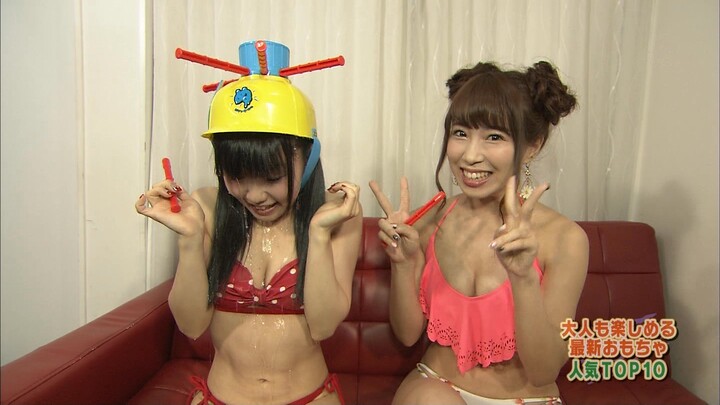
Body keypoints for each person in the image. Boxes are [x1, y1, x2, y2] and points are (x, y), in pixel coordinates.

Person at [135, 47, 362, 405]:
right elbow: (191, 325)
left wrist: (317, 235)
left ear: (309, 157)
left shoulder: (338, 215)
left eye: (272, 177)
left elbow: (323, 326)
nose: (255, 195)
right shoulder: (207, 208)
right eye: (237, 176)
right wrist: (190, 240)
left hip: (310, 397)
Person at [369, 60, 589, 405]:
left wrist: (523, 279)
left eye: (494, 137)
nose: (470, 155)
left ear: (531, 146)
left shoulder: (565, 239)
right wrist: (402, 262)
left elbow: (544, 371)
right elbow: (408, 335)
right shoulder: (429, 220)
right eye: (460, 133)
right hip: (437, 388)